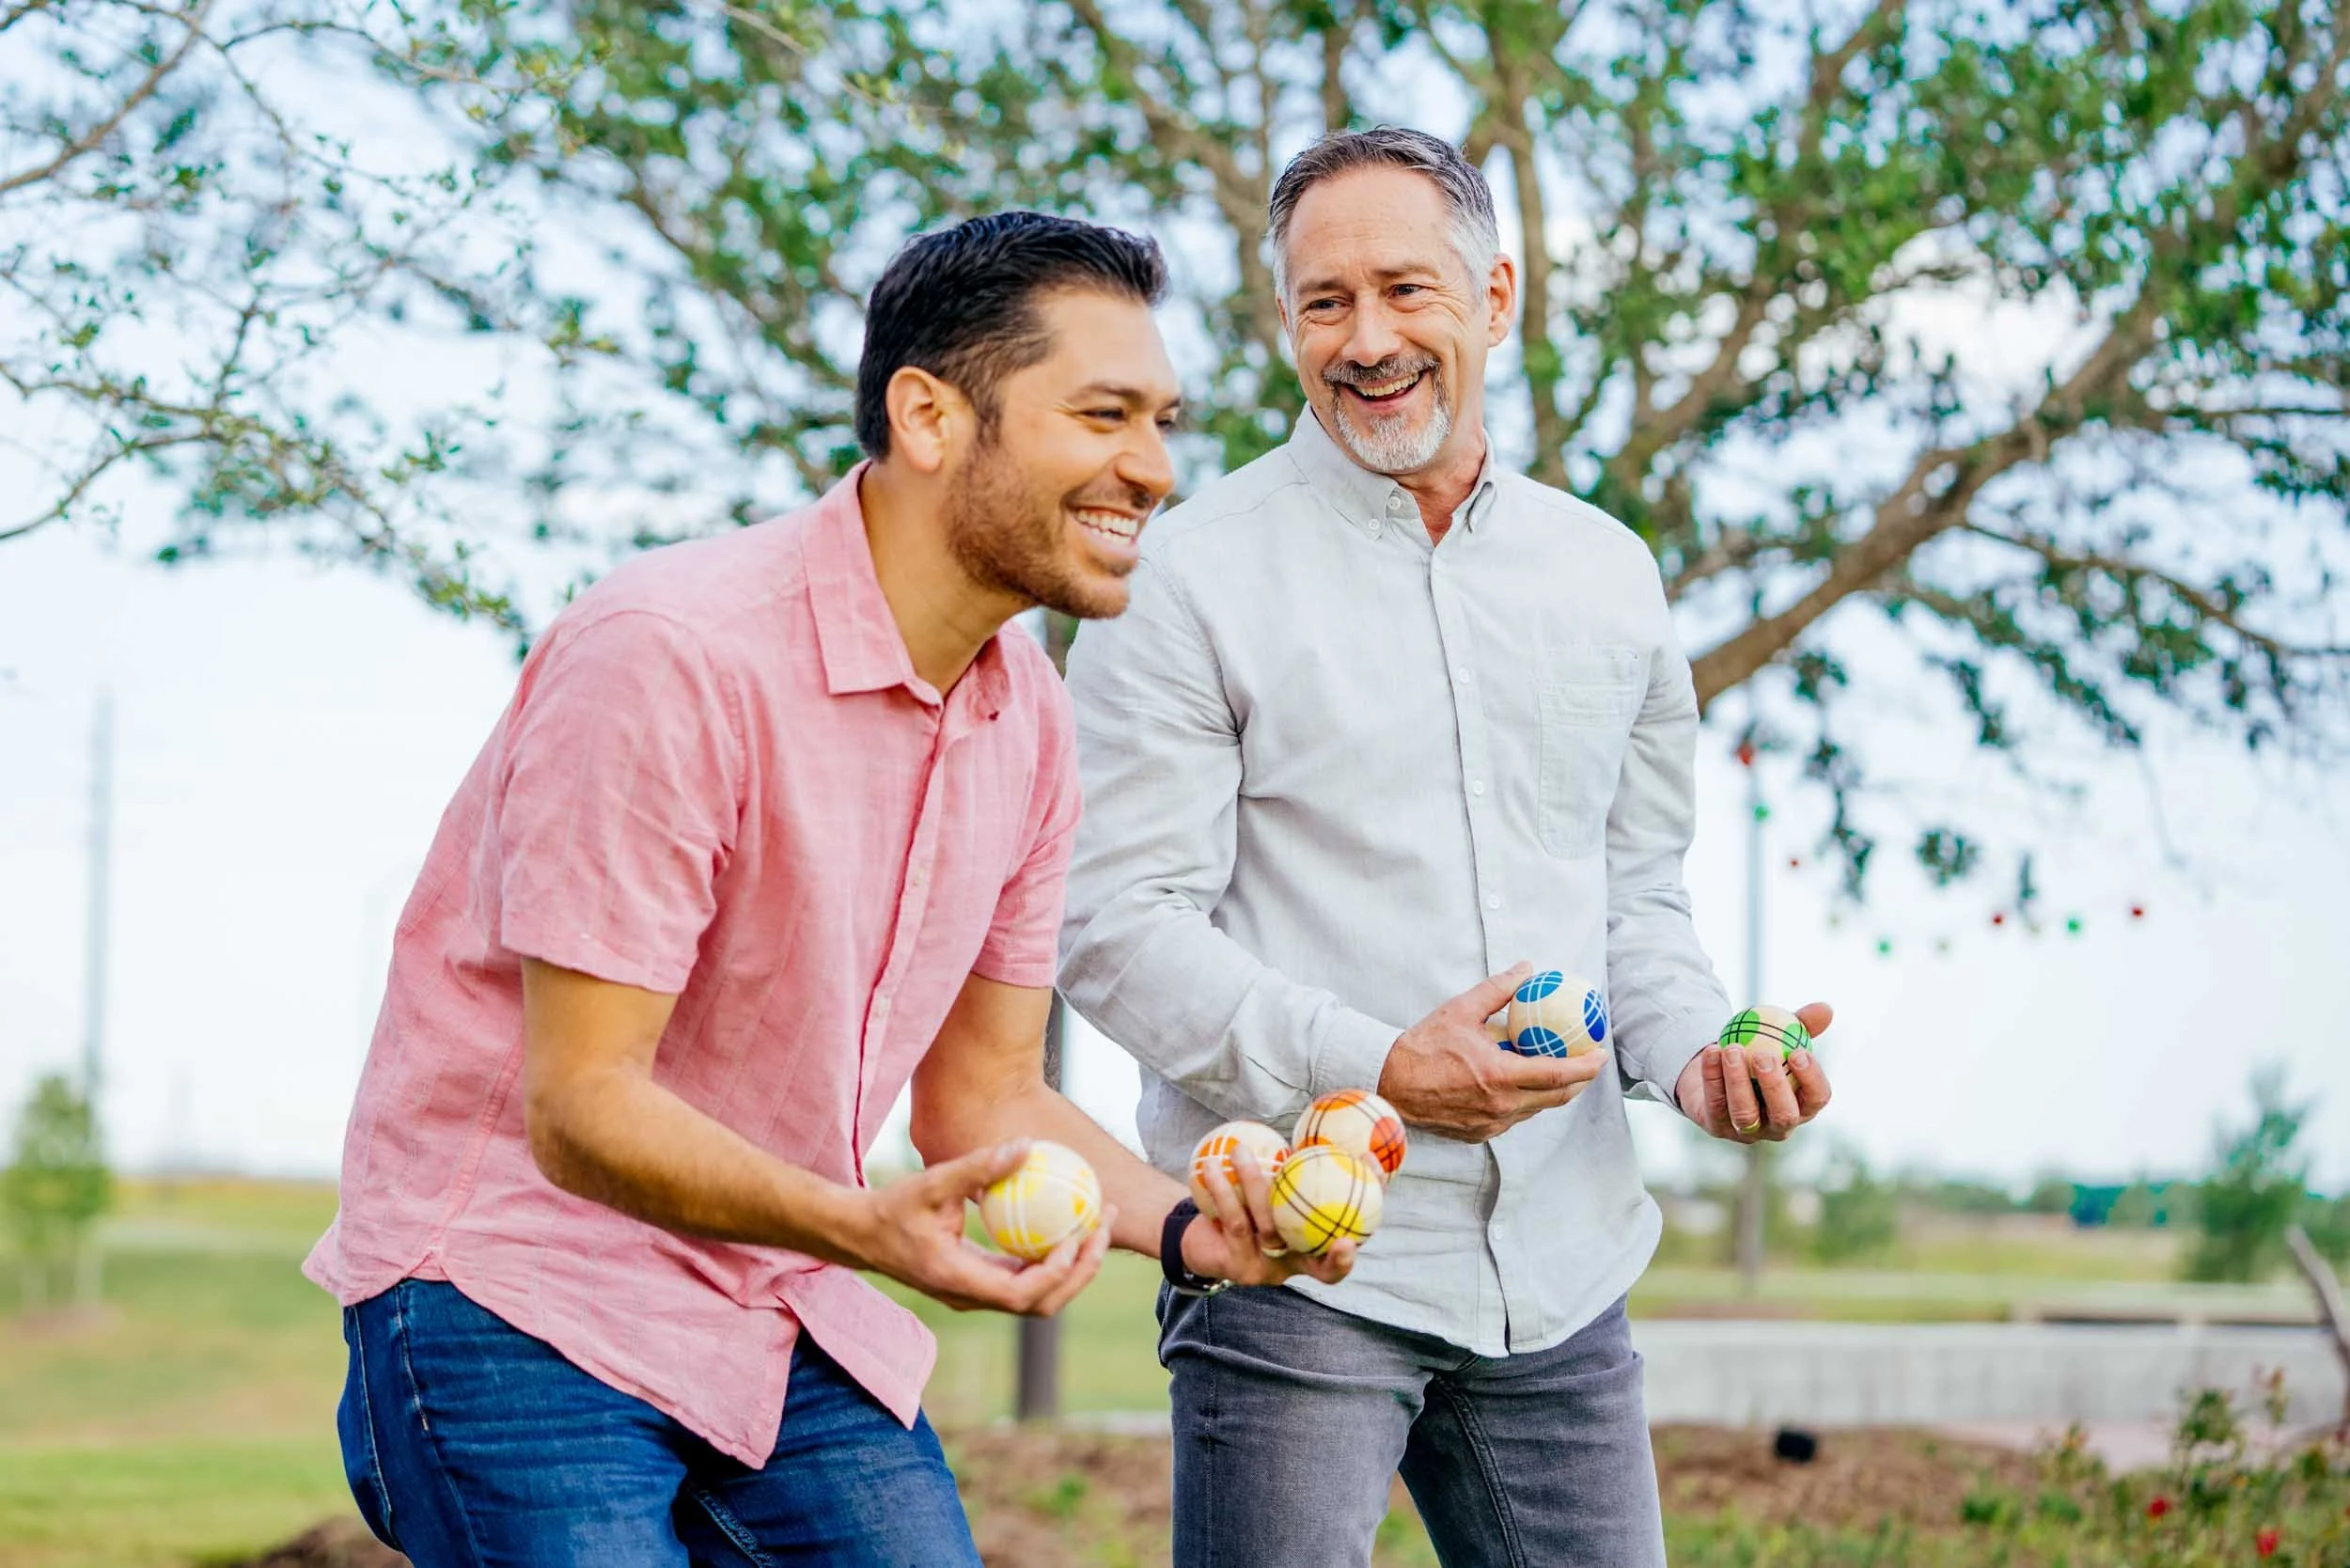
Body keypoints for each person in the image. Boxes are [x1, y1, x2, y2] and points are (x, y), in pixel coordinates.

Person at [303, 211, 1350, 1566]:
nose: (1153, 470)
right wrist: (862, 1225)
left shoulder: (1029, 719)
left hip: (778, 1301)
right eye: (1103, 416)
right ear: (928, 416)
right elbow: (582, 1105)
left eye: (1161, 423)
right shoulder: (671, 654)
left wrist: (1201, 1233)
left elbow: (985, 1098)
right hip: (517, 1295)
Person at [1058, 129, 1835, 1567]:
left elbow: (1633, 900)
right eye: (1325, 302)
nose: (1367, 340)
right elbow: (1111, 928)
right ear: (1283, 321)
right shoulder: (1182, 580)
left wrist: (1701, 1057)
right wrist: (1378, 1066)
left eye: (1406, 290)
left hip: (1564, 1274)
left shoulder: (1608, 573)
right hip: (1297, 1268)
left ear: (1497, 296)